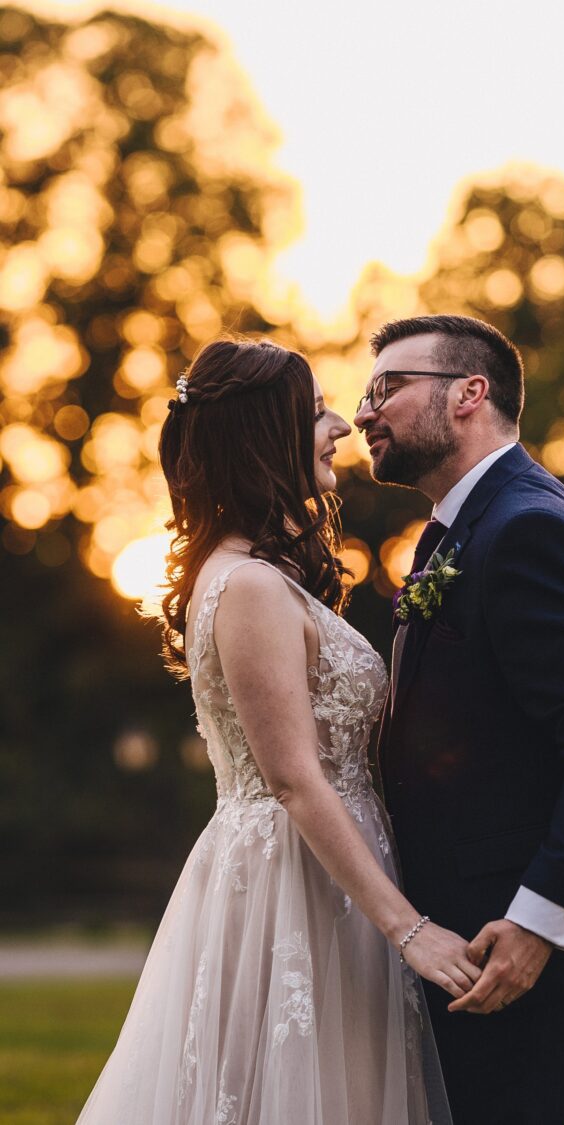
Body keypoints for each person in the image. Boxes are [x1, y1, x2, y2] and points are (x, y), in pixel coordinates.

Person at [75, 336, 473, 1125]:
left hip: (331, 874)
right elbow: (293, 777)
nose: (338, 425)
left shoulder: (259, 575)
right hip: (294, 887)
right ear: (265, 433)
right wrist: (410, 929)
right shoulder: (249, 587)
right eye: (316, 410)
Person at [354, 314, 564, 1125]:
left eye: (388, 386)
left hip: (513, 943)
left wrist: (539, 924)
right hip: (470, 925)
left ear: (470, 393)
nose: (364, 412)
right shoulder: (462, 526)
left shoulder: (524, 527)